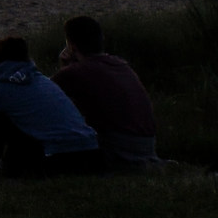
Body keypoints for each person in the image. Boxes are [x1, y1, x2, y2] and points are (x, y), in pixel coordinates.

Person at [0, 35, 104, 177]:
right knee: (23, 124)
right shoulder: (45, 81)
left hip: (57, 157)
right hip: (91, 154)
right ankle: (5, 166)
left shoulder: (0, 90)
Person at [53, 16, 159, 168]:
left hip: (117, 147)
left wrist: (65, 67)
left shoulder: (76, 71)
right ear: (101, 39)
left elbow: (46, 98)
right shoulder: (120, 64)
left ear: (71, 46)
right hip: (147, 144)